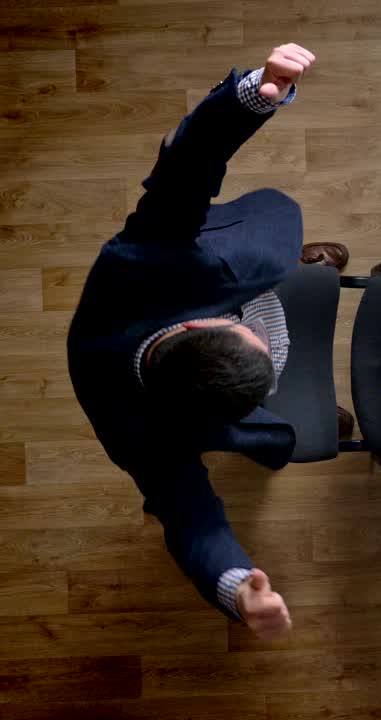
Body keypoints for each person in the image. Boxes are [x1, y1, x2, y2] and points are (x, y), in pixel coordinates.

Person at [66, 43, 345, 640]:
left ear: (199, 321)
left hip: (218, 272)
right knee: (284, 340)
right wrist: (238, 587)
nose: (267, 334)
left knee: (276, 278)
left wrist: (256, 94)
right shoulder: (137, 435)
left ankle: (296, 263)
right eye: (263, 344)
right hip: (216, 361)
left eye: (251, 332)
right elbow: (189, 519)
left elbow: (187, 169)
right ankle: (302, 276)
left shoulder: (135, 265)